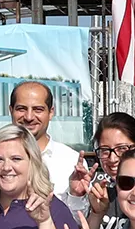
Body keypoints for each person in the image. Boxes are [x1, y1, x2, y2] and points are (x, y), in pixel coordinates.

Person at [9, 80, 92, 211]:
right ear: (11, 110)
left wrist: (75, 196)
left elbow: (76, 223)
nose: (29, 117)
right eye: (21, 109)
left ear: (51, 112)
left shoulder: (71, 161)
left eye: (38, 109)